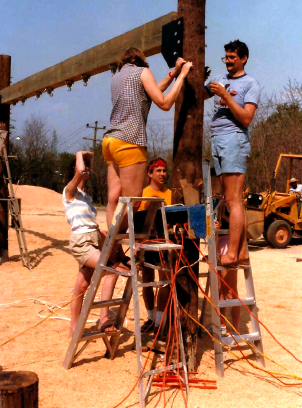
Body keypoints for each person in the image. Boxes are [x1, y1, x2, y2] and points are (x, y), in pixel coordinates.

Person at [102, 47, 193, 228]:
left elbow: (153, 90)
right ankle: (111, 248)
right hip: (130, 141)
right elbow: (165, 103)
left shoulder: (117, 77)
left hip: (110, 141)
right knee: (133, 201)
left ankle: (113, 252)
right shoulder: (143, 72)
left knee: (114, 199)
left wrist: (173, 72)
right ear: (141, 60)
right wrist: (182, 76)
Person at [204, 40, 260, 267]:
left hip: (234, 139)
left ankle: (234, 254)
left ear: (243, 58)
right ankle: (243, 252)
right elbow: (199, 95)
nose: (227, 62)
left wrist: (226, 96)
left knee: (234, 199)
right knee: (228, 199)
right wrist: (197, 78)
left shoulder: (251, 83)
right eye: (225, 58)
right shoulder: (219, 79)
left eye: (232, 58)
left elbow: (246, 118)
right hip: (217, 139)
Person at [62, 151, 129, 337]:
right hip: (82, 243)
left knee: (81, 287)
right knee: (112, 269)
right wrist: (78, 155)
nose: (87, 171)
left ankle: (74, 327)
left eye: (88, 168)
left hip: (94, 238)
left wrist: (100, 232)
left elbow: (87, 220)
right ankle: (104, 318)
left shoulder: (86, 197)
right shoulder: (69, 192)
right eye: (84, 167)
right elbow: (81, 171)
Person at [137, 158, 172, 334]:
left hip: (164, 242)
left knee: (165, 281)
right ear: (150, 174)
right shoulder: (142, 193)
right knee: (147, 281)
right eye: (158, 170)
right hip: (146, 242)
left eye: (164, 170)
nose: (162, 174)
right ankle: (151, 318)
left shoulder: (171, 194)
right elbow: (137, 220)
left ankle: (159, 322)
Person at [214, 202, 240, 335]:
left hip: (229, 244)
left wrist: (225, 217)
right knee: (220, 291)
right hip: (216, 244)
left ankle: (234, 329)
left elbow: (240, 225)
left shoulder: (234, 202)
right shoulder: (213, 201)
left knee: (231, 292)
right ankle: (222, 324)